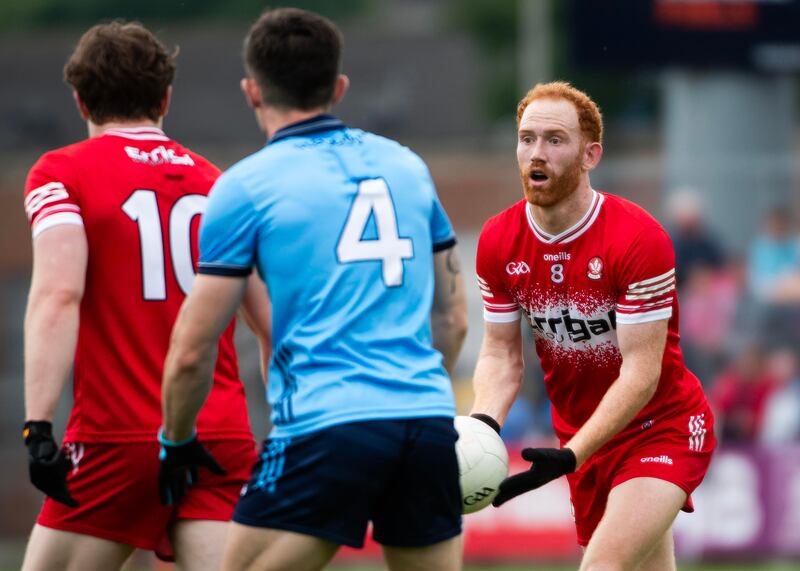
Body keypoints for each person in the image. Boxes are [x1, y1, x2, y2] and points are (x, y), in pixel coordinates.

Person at [159, 8, 468, 571]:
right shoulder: (407, 166)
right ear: (339, 86)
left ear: (252, 91)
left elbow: (191, 351)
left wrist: (176, 441)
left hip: (326, 426)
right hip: (426, 422)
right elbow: (453, 320)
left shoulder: (244, 187)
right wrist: (411, 401)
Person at [21, 21, 268, 571]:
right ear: (166, 98)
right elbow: (268, 321)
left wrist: (36, 425)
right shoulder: (219, 183)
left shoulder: (60, 173)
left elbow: (59, 294)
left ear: (80, 99)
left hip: (120, 437)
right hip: (219, 437)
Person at [469, 81, 715, 571]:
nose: (536, 153)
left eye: (555, 140)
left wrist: (572, 453)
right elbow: (500, 355)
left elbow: (641, 374)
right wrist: (482, 428)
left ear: (590, 155)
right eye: (527, 138)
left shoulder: (638, 239)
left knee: (602, 567)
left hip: (658, 427)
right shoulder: (498, 241)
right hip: (582, 441)